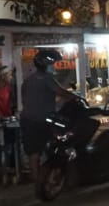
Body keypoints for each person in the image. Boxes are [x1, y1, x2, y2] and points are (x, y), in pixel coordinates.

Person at [20, 49, 76, 182]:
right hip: (43, 120)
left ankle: (36, 178)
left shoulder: (28, 80)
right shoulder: (46, 78)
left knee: (34, 151)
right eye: (52, 64)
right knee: (53, 145)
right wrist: (77, 98)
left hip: (27, 119)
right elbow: (60, 91)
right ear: (46, 64)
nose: (53, 66)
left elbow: (25, 98)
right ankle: (51, 175)